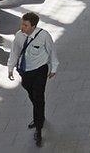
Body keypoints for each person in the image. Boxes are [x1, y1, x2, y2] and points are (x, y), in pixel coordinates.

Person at [8, 12, 59, 147]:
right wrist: (10, 68)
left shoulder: (44, 36)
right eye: (22, 24)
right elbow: (15, 52)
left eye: (25, 25)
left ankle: (38, 127)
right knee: (32, 96)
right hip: (25, 72)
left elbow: (52, 51)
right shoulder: (19, 36)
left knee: (38, 97)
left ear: (33, 26)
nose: (22, 27)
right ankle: (39, 115)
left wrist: (53, 68)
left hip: (39, 70)